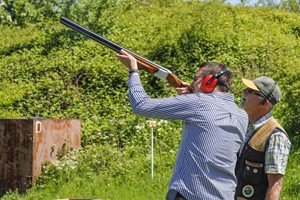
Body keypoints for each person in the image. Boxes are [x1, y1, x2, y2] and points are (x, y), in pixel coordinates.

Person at [117, 50, 248, 200]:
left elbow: (141, 105)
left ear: (208, 81)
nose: (192, 83)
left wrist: (133, 70)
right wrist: (193, 96)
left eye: (195, 78)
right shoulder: (242, 115)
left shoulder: (198, 102)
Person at [235, 76, 291, 200]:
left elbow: (275, 186)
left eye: (250, 91)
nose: (244, 91)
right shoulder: (244, 125)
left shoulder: (276, 136)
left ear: (264, 102)